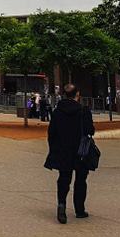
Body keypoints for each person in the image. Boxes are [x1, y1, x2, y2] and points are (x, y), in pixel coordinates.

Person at [44, 83, 94, 224]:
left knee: (64, 178)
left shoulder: (57, 111)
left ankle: (61, 205)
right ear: (77, 94)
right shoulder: (83, 111)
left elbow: (51, 133)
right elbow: (90, 130)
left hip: (63, 150)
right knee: (80, 180)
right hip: (80, 151)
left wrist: (54, 148)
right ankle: (79, 210)